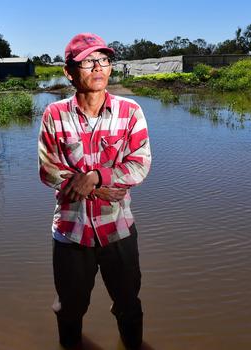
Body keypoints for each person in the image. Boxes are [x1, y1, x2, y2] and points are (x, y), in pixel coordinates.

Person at [38, 33, 151, 349]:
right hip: (71, 234)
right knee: (70, 309)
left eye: (103, 60)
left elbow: (140, 164)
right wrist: (101, 186)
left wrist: (95, 176)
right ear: (69, 71)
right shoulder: (54, 115)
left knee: (129, 305)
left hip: (118, 230)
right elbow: (48, 172)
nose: (98, 67)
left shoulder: (130, 112)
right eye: (88, 61)